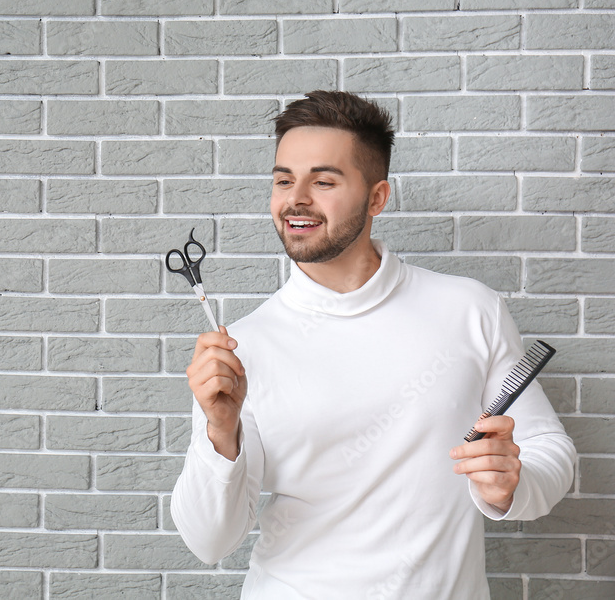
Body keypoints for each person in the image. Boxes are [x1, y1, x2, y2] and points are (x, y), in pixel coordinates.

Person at [170, 90, 576, 599]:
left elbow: (551, 452)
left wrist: (513, 483)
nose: (296, 198)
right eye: (283, 180)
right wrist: (220, 431)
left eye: (323, 181)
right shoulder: (238, 351)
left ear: (377, 197)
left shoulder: (471, 310)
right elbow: (209, 541)